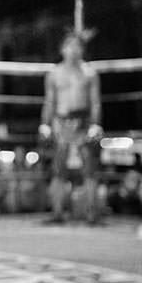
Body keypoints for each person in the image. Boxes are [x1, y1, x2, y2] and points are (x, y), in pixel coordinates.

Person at [38, 29, 103, 224]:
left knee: (89, 169)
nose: (74, 50)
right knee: (58, 169)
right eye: (70, 46)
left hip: (83, 121)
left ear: (82, 50)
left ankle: (92, 214)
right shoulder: (54, 74)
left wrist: (96, 124)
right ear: (62, 49)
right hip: (60, 122)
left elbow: (95, 102)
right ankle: (57, 213)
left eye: (77, 46)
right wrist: (45, 124)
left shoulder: (90, 73)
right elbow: (49, 101)